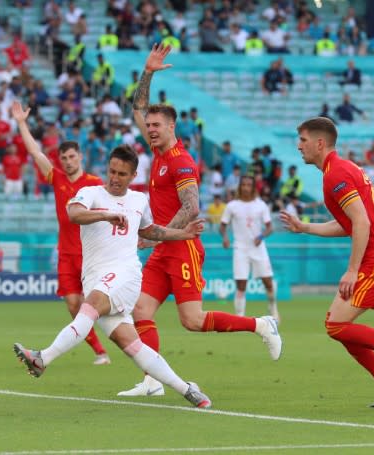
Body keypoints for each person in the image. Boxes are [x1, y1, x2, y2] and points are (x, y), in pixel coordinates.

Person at [119, 44, 282, 397]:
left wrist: (160, 236)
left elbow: (192, 206)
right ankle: (152, 381)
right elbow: (137, 107)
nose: (150, 129)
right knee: (140, 309)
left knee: (191, 321)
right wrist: (147, 72)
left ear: (172, 126)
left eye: (157, 125)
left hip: (182, 247)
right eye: (148, 126)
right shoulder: (158, 154)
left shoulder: (180, 161)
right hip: (166, 245)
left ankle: (261, 324)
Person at [13, 145, 212, 409]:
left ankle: (42, 359)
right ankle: (188, 390)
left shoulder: (139, 200)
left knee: (90, 306)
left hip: (125, 275)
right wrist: (106, 215)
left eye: (122, 174)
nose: (115, 178)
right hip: (95, 278)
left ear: (133, 176)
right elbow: (74, 214)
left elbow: (151, 230)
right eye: (112, 171)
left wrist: (183, 234)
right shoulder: (91, 193)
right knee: (132, 346)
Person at [280, 117, 374, 408]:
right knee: (336, 324)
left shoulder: (336, 174)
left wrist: (351, 270)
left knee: (336, 326)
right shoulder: (341, 170)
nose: (299, 146)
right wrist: (305, 227)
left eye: (303, 140)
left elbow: (361, 222)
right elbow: (348, 224)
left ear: (320, 143)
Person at [11, 101, 112, 366]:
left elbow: (108, 213)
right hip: (67, 253)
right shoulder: (56, 178)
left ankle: (124, 342)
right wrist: (22, 122)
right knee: (72, 305)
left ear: (80, 157)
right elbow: (34, 152)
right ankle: (100, 352)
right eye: (63, 158)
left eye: (71, 157)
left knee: (97, 306)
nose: (67, 162)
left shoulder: (94, 184)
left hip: (91, 254)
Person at [220, 175, 279, 322]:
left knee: (268, 282)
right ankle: (240, 317)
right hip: (240, 248)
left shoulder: (261, 205)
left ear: (253, 188)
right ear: (240, 187)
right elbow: (223, 225)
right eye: (243, 184)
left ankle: (273, 307)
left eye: (249, 185)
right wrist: (225, 238)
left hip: (258, 249)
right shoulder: (232, 206)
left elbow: (270, 227)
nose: (246, 187)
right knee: (241, 284)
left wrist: (261, 236)